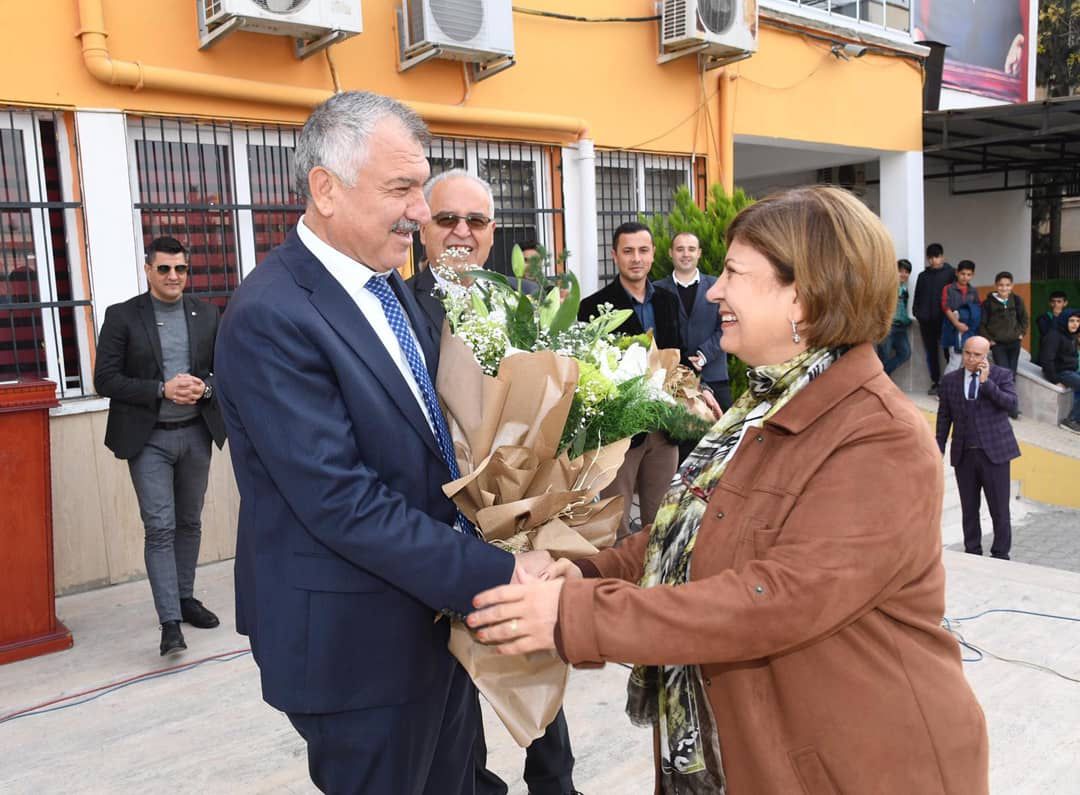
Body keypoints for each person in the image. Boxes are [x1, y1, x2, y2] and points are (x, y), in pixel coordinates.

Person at [468, 186, 989, 794]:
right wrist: (581, 573)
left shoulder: (880, 437)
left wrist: (577, 616)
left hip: (855, 762)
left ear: (803, 293)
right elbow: (687, 535)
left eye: (735, 274)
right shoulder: (762, 406)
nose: (713, 290)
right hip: (740, 748)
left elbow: (777, 598)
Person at [214, 92, 550, 795]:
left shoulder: (385, 285)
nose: (422, 212)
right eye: (402, 189)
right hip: (354, 649)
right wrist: (496, 574)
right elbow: (342, 502)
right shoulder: (270, 315)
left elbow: (433, 437)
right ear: (325, 189)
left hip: (432, 627)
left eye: (420, 190)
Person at [410, 170, 580, 795]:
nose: (461, 233)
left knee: (537, 654)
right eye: (447, 220)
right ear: (421, 227)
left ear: (491, 232)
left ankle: (555, 785)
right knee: (456, 682)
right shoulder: (395, 305)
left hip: (518, 517)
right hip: (435, 525)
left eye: (475, 222)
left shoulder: (528, 307)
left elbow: (562, 402)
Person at [93, 236, 227, 656]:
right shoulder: (122, 317)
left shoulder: (206, 315)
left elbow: (226, 371)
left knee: (189, 522)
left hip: (195, 434)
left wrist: (204, 387)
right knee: (160, 527)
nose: (173, 276)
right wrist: (161, 389)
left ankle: (185, 599)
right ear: (148, 269)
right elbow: (105, 380)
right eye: (165, 268)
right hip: (148, 439)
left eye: (181, 269)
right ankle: (169, 622)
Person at [579, 221, 683, 538]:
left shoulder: (669, 300)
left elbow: (680, 353)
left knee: (662, 518)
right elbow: (588, 371)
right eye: (628, 251)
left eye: (642, 250)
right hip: (621, 433)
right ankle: (620, 585)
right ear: (614, 255)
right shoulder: (593, 307)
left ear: (652, 255)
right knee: (617, 524)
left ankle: (658, 582)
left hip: (665, 427)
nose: (635, 258)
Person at [936, 336, 1020, 560]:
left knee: (999, 509)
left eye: (977, 354)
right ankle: (972, 551)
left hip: (995, 452)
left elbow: (1011, 405)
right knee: (969, 508)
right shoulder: (950, 380)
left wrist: (986, 383)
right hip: (964, 453)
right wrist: (939, 447)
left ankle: (1001, 554)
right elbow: (944, 416)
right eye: (967, 353)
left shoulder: (1001, 375)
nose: (971, 358)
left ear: (986, 356)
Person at [654, 232, 731, 410]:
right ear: (670, 253)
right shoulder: (656, 290)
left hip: (714, 375)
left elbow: (727, 327)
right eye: (680, 249)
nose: (686, 254)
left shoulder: (717, 286)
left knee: (725, 434)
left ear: (699, 253)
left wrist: (704, 355)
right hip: (672, 382)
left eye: (691, 249)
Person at [912, 242, 955, 395]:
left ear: (942, 257)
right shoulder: (923, 276)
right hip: (926, 321)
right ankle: (935, 382)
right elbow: (917, 296)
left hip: (944, 321)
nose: (933, 261)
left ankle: (950, 382)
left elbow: (954, 295)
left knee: (948, 353)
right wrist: (917, 312)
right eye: (930, 257)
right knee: (931, 354)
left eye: (936, 257)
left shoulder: (951, 274)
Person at [978, 270, 1027, 375]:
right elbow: (982, 324)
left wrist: (1021, 333)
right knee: (1003, 373)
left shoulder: (1017, 300)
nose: (1004, 288)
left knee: (1012, 373)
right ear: (995, 285)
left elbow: (1024, 319)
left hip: (1014, 343)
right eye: (1001, 285)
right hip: (998, 345)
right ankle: (1004, 391)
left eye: (1007, 285)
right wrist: (990, 340)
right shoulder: (988, 303)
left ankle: (1010, 391)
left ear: (1012, 286)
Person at [1041, 313, 1080, 435]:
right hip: (1060, 372)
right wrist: (1054, 380)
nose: (1075, 324)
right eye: (1072, 321)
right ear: (1064, 321)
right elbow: (1047, 359)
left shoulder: (1071, 336)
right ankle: (1070, 420)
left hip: (1070, 371)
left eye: (1078, 321)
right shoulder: (1054, 335)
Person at [940, 259, 981, 376]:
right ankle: (945, 389)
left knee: (966, 361)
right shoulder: (948, 289)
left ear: (972, 275)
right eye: (963, 274)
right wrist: (956, 324)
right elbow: (945, 307)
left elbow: (977, 309)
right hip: (952, 329)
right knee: (955, 360)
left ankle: (958, 390)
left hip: (968, 330)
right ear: (957, 273)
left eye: (968, 275)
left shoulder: (973, 291)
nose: (965, 277)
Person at [876, 258, 913, 375]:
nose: (904, 274)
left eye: (906, 272)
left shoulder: (904, 288)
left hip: (901, 327)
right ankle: (882, 382)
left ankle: (882, 377)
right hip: (888, 327)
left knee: (905, 353)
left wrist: (907, 320)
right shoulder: (887, 287)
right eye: (900, 271)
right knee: (884, 356)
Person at [1036, 291, 1072, 362]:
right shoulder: (1043, 318)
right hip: (1049, 356)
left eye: (1059, 301)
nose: (1056, 304)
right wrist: (1055, 316)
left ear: (1065, 303)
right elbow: (1048, 335)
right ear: (1050, 303)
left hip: (1066, 357)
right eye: (1053, 301)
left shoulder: (1071, 318)